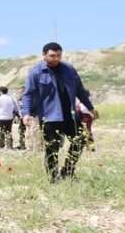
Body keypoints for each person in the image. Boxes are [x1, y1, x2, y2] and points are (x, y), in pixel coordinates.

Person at [22, 42, 95, 181]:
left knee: (80, 140)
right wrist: (26, 113)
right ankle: (53, 178)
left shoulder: (69, 69)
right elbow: (28, 94)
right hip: (50, 117)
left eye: (58, 55)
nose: (56, 58)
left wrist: (90, 108)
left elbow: (80, 90)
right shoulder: (36, 72)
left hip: (70, 114)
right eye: (52, 56)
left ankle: (68, 171)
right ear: (44, 55)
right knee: (52, 149)